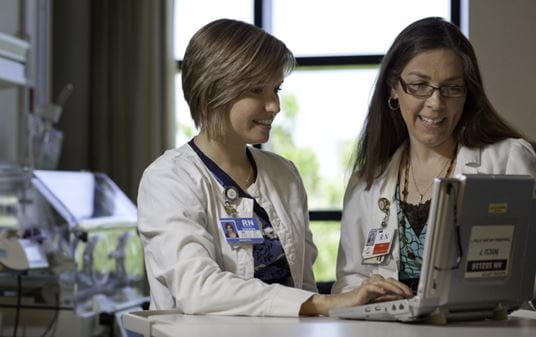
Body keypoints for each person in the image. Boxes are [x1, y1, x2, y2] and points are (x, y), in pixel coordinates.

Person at [138, 18, 409, 317]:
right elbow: (197, 290)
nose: (275, 105)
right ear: (213, 90)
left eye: (276, 89)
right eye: (257, 90)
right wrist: (323, 303)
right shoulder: (168, 179)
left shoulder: (284, 175)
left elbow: (303, 283)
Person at [333, 17, 536, 294]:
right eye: (419, 85)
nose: (435, 103)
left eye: (452, 88)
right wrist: (367, 292)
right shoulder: (366, 183)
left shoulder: (508, 159)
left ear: (468, 93)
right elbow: (348, 281)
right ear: (394, 88)